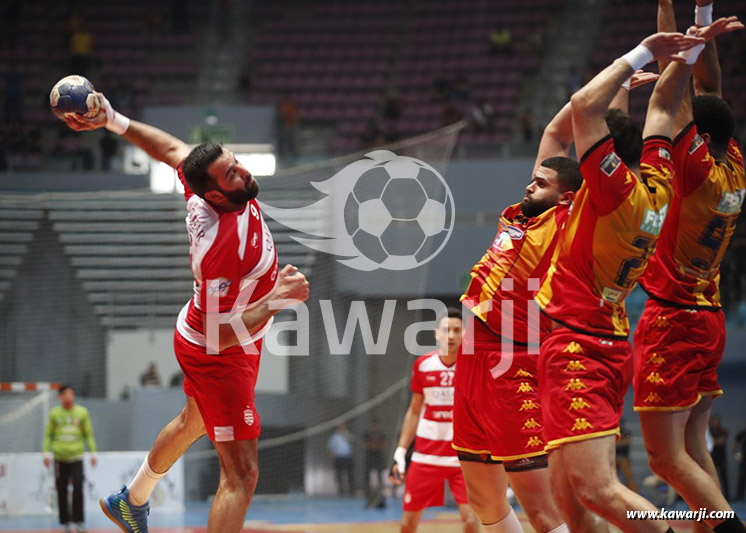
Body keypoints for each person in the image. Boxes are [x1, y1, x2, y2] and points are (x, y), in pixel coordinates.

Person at [62, 92, 310, 533]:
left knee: (193, 420)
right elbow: (219, 336)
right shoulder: (220, 247)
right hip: (219, 352)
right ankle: (133, 500)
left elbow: (172, 149)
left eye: (238, 162)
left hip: (214, 334)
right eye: (233, 172)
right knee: (242, 475)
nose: (244, 172)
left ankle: (130, 500)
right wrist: (278, 299)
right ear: (215, 192)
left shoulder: (205, 188)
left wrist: (112, 119)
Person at [534, 28, 708, 532]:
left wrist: (641, 55)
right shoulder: (656, 176)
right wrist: (690, 43)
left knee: (596, 490)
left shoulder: (610, 192)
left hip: (579, 345)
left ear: (602, 157)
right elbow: (664, 108)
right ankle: (718, 521)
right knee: (571, 497)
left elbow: (580, 110)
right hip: (592, 338)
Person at [634, 3, 745, 531]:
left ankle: (727, 527)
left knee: (663, 458)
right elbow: (711, 91)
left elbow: (671, 95)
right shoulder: (731, 162)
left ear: (695, 137)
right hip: (708, 315)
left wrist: (667, 11)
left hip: (674, 320)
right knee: (693, 449)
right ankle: (711, 526)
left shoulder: (693, 164)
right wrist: (700, 14)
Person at [389, 309, 479, 533]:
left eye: (457, 331)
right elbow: (414, 410)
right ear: (436, 334)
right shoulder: (422, 365)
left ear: (464, 335)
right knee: (408, 525)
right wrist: (401, 451)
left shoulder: (474, 366)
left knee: (471, 522)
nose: (451, 336)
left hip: (463, 458)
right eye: (447, 330)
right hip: (426, 456)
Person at [43, 385, 98, 533]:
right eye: (66, 394)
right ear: (60, 397)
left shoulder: (81, 412)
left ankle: (78, 521)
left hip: (76, 457)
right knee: (61, 489)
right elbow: (49, 434)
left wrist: (93, 453)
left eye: (71, 394)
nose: (69, 397)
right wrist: (46, 453)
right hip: (60, 458)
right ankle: (65, 523)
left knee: (78, 487)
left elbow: (88, 433)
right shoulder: (54, 414)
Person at [363, 418, 387, 507]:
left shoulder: (381, 435)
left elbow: (383, 445)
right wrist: (372, 446)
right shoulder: (367, 435)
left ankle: (381, 497)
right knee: (368, 478)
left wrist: (376, 446)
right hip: (370, 457)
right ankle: (369, 497)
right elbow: (365, 445)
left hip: (378, 457)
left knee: (380, 478)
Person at [328, 424, 354, 496]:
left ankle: (351, 490)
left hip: (348, 457)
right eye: (340, 426)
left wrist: (346, 434)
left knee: (350, 474)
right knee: (339, 475)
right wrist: (331, 460)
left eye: (343, 426)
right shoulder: (334, 437)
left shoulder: (347, 434)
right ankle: (341, 490)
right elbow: (331, 449)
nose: (342, 427)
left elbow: (353, 440)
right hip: (339, 457)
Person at [616, 419, 638, 492]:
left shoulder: (625, 432)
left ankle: (634, 492)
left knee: (628, 477)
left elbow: (626, 442)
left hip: (623, 458)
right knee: (614, 478)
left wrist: (614, 444)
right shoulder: (614, 433)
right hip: (614, 458)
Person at [735, 426, 746, 500]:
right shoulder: (742, 434)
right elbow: (735, 444)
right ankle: (739, 496)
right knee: (742, 477)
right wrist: (737, 455)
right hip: (744, 459)